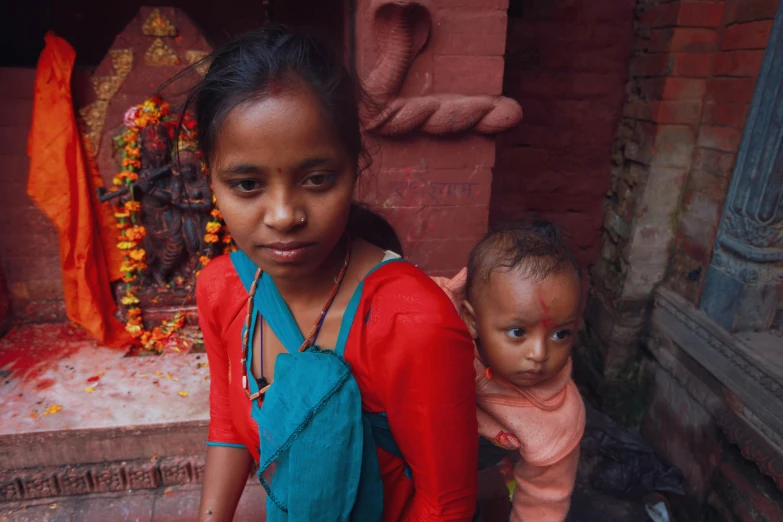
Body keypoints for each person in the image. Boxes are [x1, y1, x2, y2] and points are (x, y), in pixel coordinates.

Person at [190, 26, 478, 522]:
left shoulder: (411, 323)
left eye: (317, 179)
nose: (283, 216)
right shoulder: (221, 289)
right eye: (247, 184)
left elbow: (445, 504)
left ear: (355, 167)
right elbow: (229, 422)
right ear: (210, 179)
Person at [433, 221, 586, 522]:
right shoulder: (433, 320)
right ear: (471, 319)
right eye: (518, 331)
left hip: (469, 467)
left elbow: (543, 501)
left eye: (560, 334)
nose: (539, 355)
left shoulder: (556, 419)